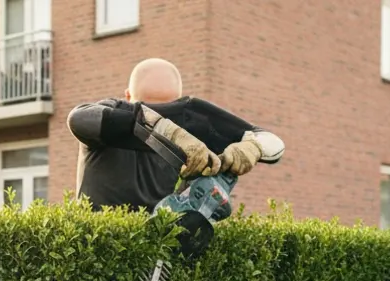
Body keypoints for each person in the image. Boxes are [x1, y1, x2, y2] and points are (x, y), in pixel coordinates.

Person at [67, 58, 285, 211]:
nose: (162, 115)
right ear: (127, 96)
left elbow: (272, 142)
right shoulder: (111, 115)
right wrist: (166, 129)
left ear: (179, 102)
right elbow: (79, 119)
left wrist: (251, 147)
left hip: (159, 262)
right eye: (149, 107)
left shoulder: (190, 121)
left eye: (169, 110)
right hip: (96, 256)